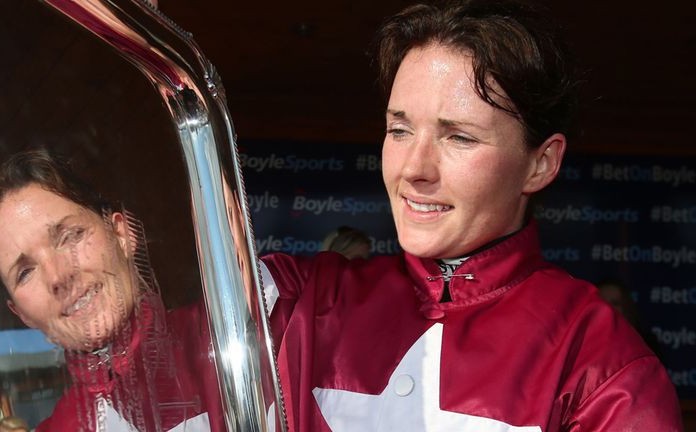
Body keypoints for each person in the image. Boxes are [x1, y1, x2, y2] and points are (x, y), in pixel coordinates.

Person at [260, 1, 683, 431]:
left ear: (541, 164)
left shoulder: (601, 363)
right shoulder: (294, 299)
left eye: (459, 137)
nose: (413, 169)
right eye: (399, 130)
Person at [0, 150, 224, 432]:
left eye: (70, 236)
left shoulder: (258, 322)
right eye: (26, 272)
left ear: (121, 233)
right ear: (21, 314)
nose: (58, 275)